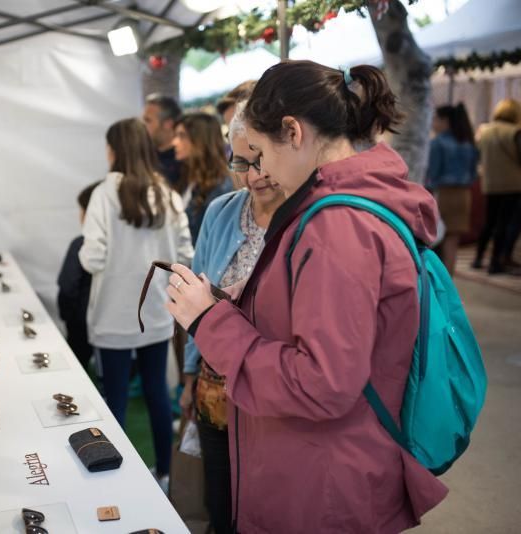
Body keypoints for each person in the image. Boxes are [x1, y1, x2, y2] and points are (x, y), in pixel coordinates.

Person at [165, 60, 448, 533]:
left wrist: (210, 321)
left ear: (292, 132)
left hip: (321, 481)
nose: (259, 172)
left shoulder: (337, 224)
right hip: (326, 464)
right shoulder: (341, 208)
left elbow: (323, 383)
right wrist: (248, 302)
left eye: (258, 152)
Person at [179, 102, 285, 534]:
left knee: (268, 504)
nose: (253, 175)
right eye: (241, 162)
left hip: (272, 390)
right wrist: (189, 373)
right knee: (220, 502)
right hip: (215, 387)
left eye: (260, 161)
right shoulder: (222, 211)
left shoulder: (307, 216)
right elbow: (195, 295)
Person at [79, 118, 193, 488]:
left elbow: (93, 259)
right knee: (157, 393)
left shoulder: (102, 194)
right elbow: (185, 255)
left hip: (112, 313)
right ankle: (164, 474)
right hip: (157, 311)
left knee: (115, 401)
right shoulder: (167, 193)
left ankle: (116, 483)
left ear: (115, 149)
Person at [426, 104, 479, 274]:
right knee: (452, 242)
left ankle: (434, 281)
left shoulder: (437, 143)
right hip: (464, 195)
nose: (433, 123)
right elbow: (473, 174)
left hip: (443, 193)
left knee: (434, 238)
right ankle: (449, 283)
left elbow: (433, 174)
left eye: (436, 119)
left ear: (445, 121)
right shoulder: (467, 142)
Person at [473, 99, 521, 274]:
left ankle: (478, 258)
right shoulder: (515, 132)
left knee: (489, 222)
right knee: (507, 224)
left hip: (490, 183)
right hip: (513, 185)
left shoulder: (485, 131)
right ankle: (497, 262)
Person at [57, 181, 100, 371]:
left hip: (79, 322)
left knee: (76, 367)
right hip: (105, 323)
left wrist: (66, 315)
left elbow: (67, 286)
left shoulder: (80, 244)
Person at [172, 112, 235, 244]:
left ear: (201, 140)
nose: (174, 142)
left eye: (182, 136)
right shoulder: (186, 179)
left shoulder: (221, 187)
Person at [142, 93, 182, 188]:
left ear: (168, 124)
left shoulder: (184, 163)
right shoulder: (144, 157)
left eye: (148, 120)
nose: (142, 126)